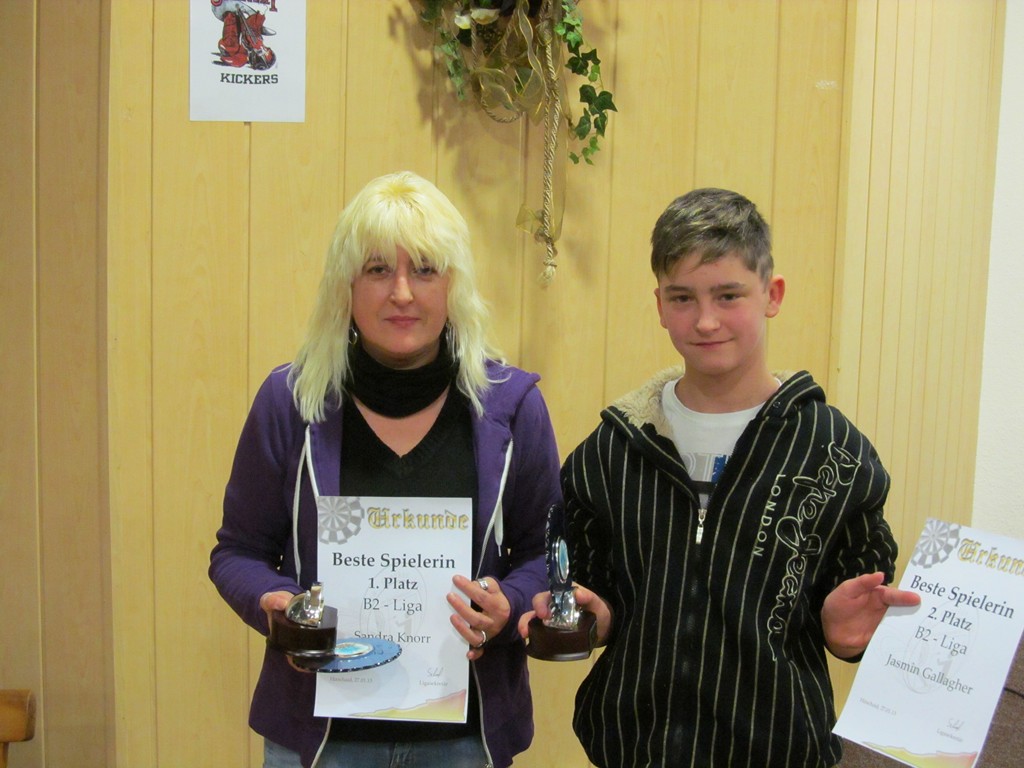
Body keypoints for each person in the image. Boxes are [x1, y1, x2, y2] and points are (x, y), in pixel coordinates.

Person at [519, 187, 921, 768]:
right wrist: (587, 614)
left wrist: (842, 631)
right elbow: (595, 592)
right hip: (634, 752)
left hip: (781, 753)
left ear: (772, 295)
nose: (705, 321)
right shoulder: (610, 451)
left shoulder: (834, 452)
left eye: (728, 295)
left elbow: (856, 603)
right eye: (683, 297)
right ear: (660, 305)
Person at [210, 171, 561, 768]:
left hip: (464, 740)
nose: (401, 292)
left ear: (454, 285)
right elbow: (237, 551)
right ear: (345, 286)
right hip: (319, 740)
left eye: (424, 269)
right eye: (377, 270)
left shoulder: (511, 406)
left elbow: (544, 552)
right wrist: (275, 603)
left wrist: (508, 606)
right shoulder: (291, 402)